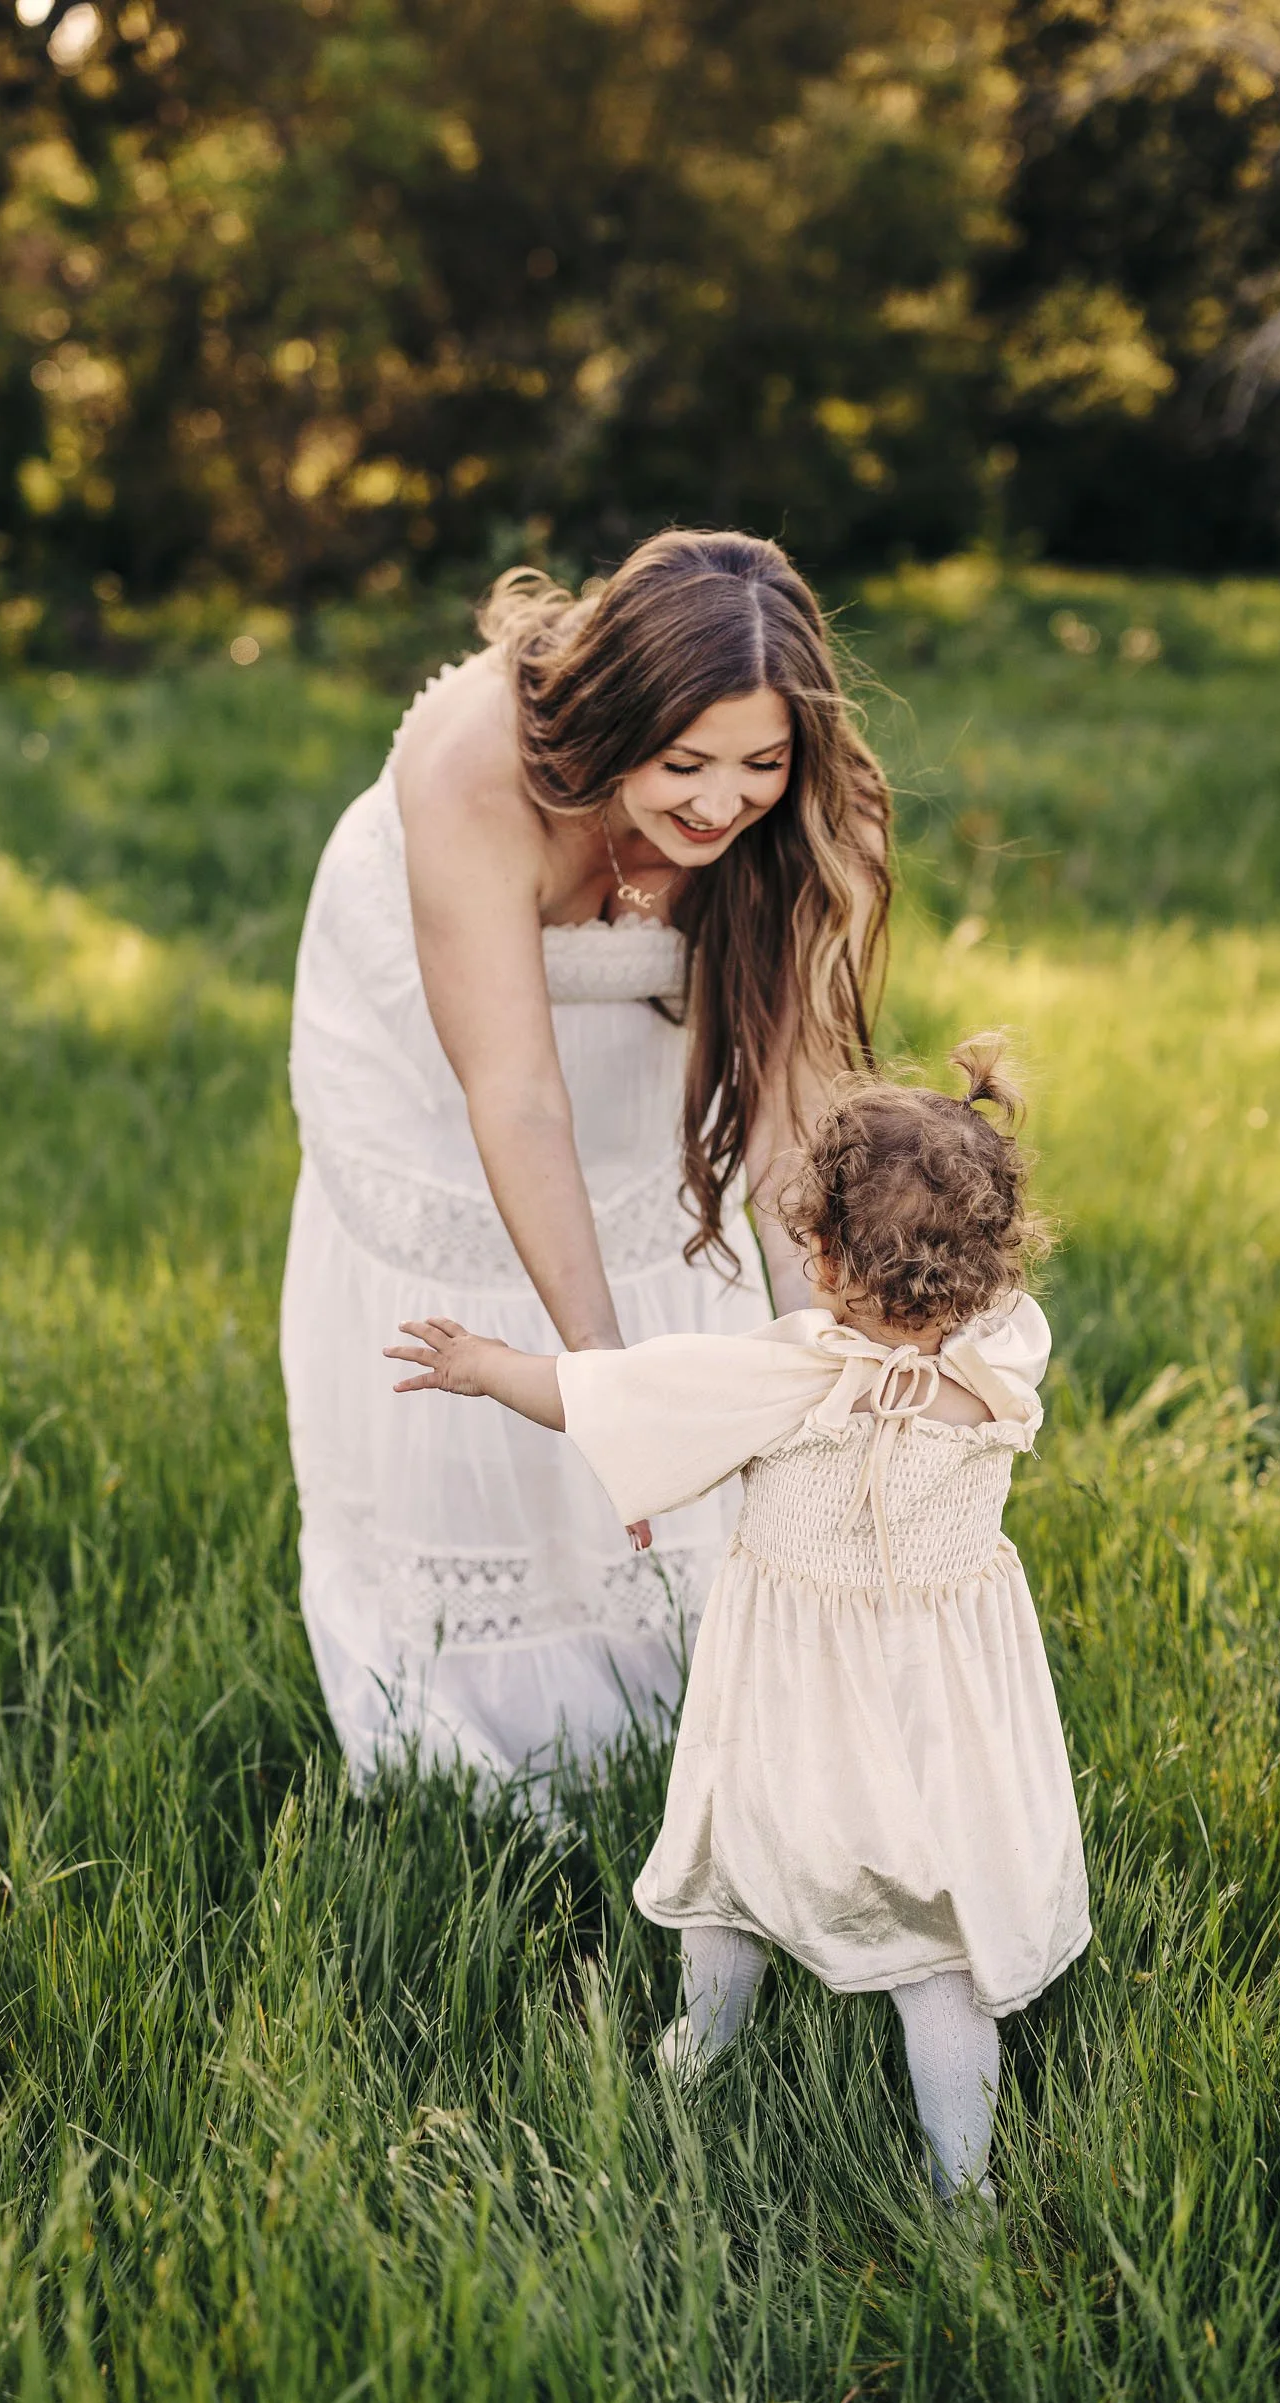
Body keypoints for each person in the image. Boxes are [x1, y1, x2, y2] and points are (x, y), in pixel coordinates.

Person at [384, 1041, 1091, 2202]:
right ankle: (960, 2184)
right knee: (939, 1945)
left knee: (732, 1874)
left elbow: (603, 1395)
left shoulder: (788, 1375)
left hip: (794, 1698)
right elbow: (978, 1300)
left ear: (817, 1253)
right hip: (939, 1702)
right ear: (988, 1264)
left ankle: (702, 2047)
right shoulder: (1007, 1352)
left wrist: (485, 1362)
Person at [281, 529, 890, 1781]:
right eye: (683, 764)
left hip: (614, 1032)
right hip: (428, 1021)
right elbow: (514, 1099)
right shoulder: (476, 762)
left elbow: (787, 1134)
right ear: (616, 721)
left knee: (642, 1214)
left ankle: (668, 1643)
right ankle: (455, 1679)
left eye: (760, 762)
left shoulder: (810, 820)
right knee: (486, 1240)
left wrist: (845, 1367)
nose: (722, 803)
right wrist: (611, 1393)